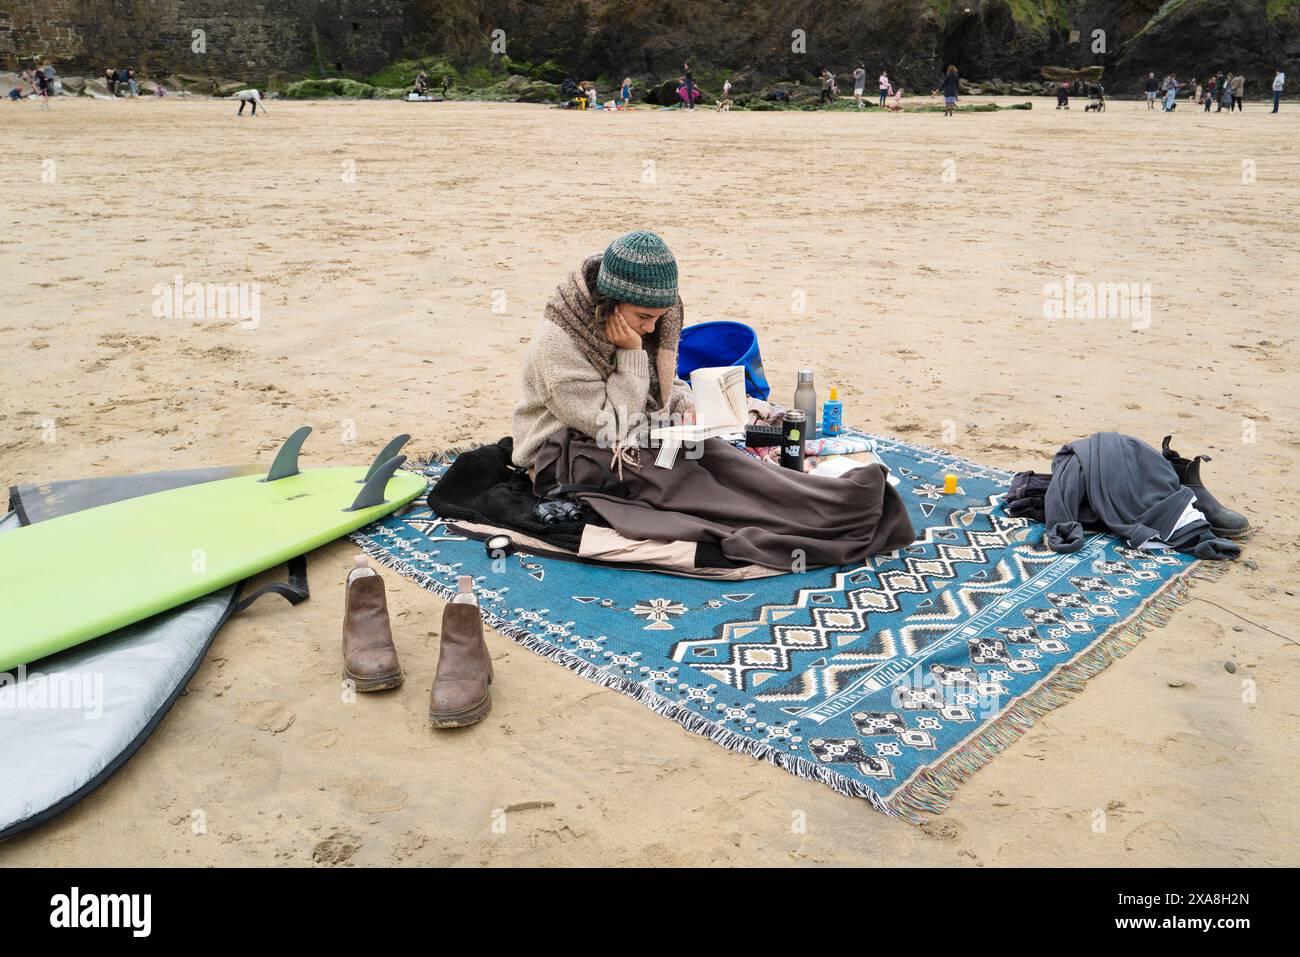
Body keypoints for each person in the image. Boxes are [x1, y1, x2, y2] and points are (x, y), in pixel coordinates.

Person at [509, 230, 916, 571]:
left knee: (716, 453)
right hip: (566, 448)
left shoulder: (650, 318)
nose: (652, 328)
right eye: (642, 318)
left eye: (658, 318)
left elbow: (661, 387)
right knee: (683, 483)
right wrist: (631, 354)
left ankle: (836, 501)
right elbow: (611, 423)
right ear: (609, 304)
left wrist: (682, 401)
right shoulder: (558, 344)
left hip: (636, 431)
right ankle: (811, 521)